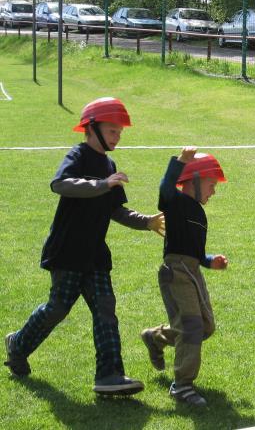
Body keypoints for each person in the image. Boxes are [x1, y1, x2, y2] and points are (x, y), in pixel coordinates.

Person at [4, 97, 165, 395]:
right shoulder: (77, 155)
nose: (117, 137)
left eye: (120, 132)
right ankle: (17, 345)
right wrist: (102, 184)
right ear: (91, 129)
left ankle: (109, 375)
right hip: (66, 251)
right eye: (112, 131)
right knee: (58, 308)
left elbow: (116, 210)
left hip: (95, 256)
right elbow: (60, 184)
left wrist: (146, 222)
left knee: (105, 309)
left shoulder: (109, 163)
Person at [140, 147, 227, 406]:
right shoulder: (175, 202)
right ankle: (182, 385)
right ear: (195, 180)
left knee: (206, 326)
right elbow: (166, 187)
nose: (214, 191)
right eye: (211, 184)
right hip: (175, 271)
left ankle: (155, 338)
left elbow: (197, 253)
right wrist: (179, 163)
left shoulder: (199, 213)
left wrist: (212, 261)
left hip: (192, 270)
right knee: (191, 326)